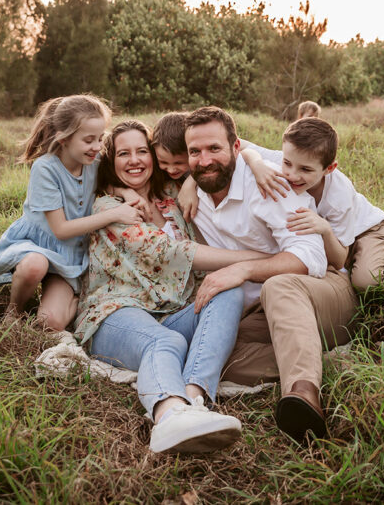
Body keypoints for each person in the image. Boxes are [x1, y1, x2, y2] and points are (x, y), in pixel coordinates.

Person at [75, 120, 270, 454]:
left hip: (170, 311)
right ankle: (169, 416)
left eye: (141, 151)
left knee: (226, 288)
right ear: (111, 161)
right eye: (124, 153)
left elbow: (224, 150)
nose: (134, 160)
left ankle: (194, 399)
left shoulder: (170, 198)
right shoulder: (109, 207)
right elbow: (175, 253)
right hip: (115, 313)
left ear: (154, 157)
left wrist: (193, 180)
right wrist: (263, 258)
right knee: (164, 340)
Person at [183, 106, 354, 443]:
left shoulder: (273, 183)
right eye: (194, 152)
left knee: (278, 285)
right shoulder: (192, 194)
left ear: (236, 148)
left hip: (321, 292)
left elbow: (311, 258)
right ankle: (324, 361)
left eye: (214, 149)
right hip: (262, 314)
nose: (204, 160)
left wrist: (243, 268)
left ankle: (304, 395)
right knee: (209, 351)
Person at [0, 95, 144, 330]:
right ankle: (14, 311)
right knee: (35, 265)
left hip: (71, 254)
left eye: (101, 138)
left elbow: (105, 183)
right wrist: (114, 214)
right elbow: (61, 230)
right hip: (39, 245)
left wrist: (126, 192)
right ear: (64, 139)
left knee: (50, 323)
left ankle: (77, 300)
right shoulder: (45, 168)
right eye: (89, 140)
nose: (97, 146)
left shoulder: (93, 159)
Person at [241, 117, 384, 289]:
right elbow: (239, 145)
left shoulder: (339, 195)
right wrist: (256, 164)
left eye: (305, 169)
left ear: (329, 168)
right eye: (287, 163)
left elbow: (338, 260)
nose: (292, 174)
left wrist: (326, 230)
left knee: (365, 282)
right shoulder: (285, 159)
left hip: (367, 230)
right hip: (339, 236)